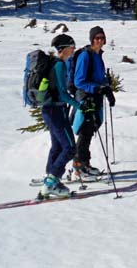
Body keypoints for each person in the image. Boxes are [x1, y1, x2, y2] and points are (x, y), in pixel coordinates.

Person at [71, 26, 116, 178]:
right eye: (97, 38)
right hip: (85, 98)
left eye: (102, 37)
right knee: (85, 131)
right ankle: (78, 167)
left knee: (89, 131)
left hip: (94, 98)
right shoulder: (85, 56)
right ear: (91, 39)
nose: (100, 40)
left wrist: (106, 87)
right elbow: (79, 82)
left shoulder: (98, 55)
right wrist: (97, 88)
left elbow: (99, 78)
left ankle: (85, 164)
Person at [40, 34, 81, 198]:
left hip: (51, 111)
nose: (74, 49)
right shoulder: (59, 65)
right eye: (72, 46)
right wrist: (80, 105)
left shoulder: (56, 64)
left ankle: (50, 180)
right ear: (64, 49)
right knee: (70, 148)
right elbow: (62, 94)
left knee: (57, 146)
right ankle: (51, 182)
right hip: (55, 111)